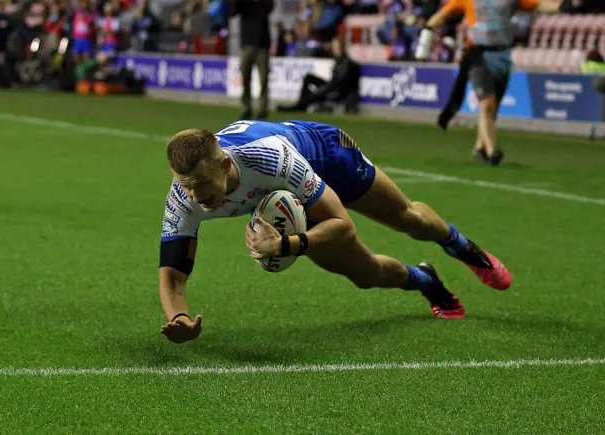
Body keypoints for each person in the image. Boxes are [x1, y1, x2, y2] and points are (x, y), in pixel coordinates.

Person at [158, 120, 512, 344]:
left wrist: (288, 244)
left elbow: (342, 225)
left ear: (224, 165)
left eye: (202, 184)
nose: (195, 197)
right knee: (364, 275)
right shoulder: (184, 198)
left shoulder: (269, 158)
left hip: (327, 156)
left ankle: (460, 246)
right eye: (185, 186)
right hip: (286, 196)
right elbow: (173, 279)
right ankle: (428, 282)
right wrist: (180, 319)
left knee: (408, 219)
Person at [415, 0, 561, 166]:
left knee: (493, 108)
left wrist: (563, 6)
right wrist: (425, 40)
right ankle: (493, 152)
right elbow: (441, 15)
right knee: (487, 103)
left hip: (503, 56)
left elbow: (538, 5)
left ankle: (480, 148)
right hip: (478, 55)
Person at [276, 37, 360, 114]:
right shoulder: (338, 60)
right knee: (308, 77)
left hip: (339, 92)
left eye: (336, 46)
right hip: (332, 87)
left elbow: (338, 83)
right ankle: (301, 104)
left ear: (342, 47)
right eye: (333, 46)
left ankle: (301, 106)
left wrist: (320, 91)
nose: (334, 49)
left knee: (315, 95)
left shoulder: (346, 63)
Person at [226, 0, 274, 120]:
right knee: (245, 78)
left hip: (262, 44)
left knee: (264, 79)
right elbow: (233, 10)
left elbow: (268, 7)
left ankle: (263, 109)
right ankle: (246, 108)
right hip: (246, 43)